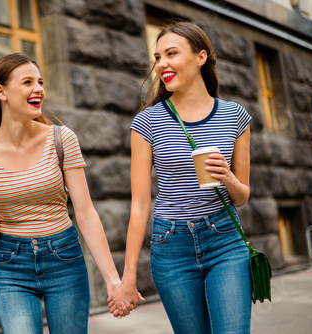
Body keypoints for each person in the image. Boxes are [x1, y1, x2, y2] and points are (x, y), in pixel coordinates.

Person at [0, 53, 134, 333]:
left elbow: (86, 212)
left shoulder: (61, 138)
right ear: (1, 91)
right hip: (11, 266)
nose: (39, 89)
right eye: (28, 82)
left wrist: (113, 280)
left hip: (64, 258)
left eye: (40, 82)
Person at [108, 22, 253, 333]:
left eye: (171, 53)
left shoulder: (235, 116)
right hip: (170, 246)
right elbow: (140, 205)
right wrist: (128, 278)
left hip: (225, 241)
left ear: (200, 57)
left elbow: (242, 197)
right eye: (158, 56)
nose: (162, 64)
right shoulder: (147, 121)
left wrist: (226, 177)